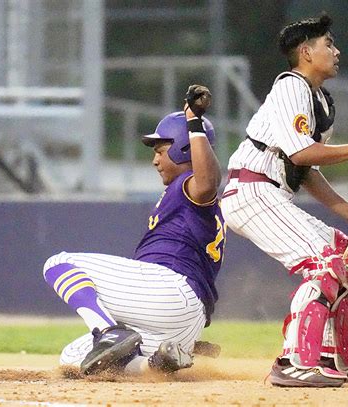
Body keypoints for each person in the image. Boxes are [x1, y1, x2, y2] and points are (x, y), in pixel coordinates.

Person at [221, 13, 348, 388]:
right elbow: (301, 153)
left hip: (268, 192)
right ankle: (295, 362)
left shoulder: (319, 103)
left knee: (343, 251)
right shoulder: (290, 87)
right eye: (327, 44)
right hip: (251, 190)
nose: (336, 50)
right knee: (325, 262)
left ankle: (334, 358)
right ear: (306, 52)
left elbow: (307, 170)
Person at [43, 85, 225, 375]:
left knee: (58, 264)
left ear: (183, 148)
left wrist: (194, 123)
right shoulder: (185, 195)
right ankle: (154, 365)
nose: (155, 160)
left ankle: (108, 331)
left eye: (161, 150)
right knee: (75, 358)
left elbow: (207, 183)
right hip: (183, 319)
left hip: (171, 291)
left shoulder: (189, 184)